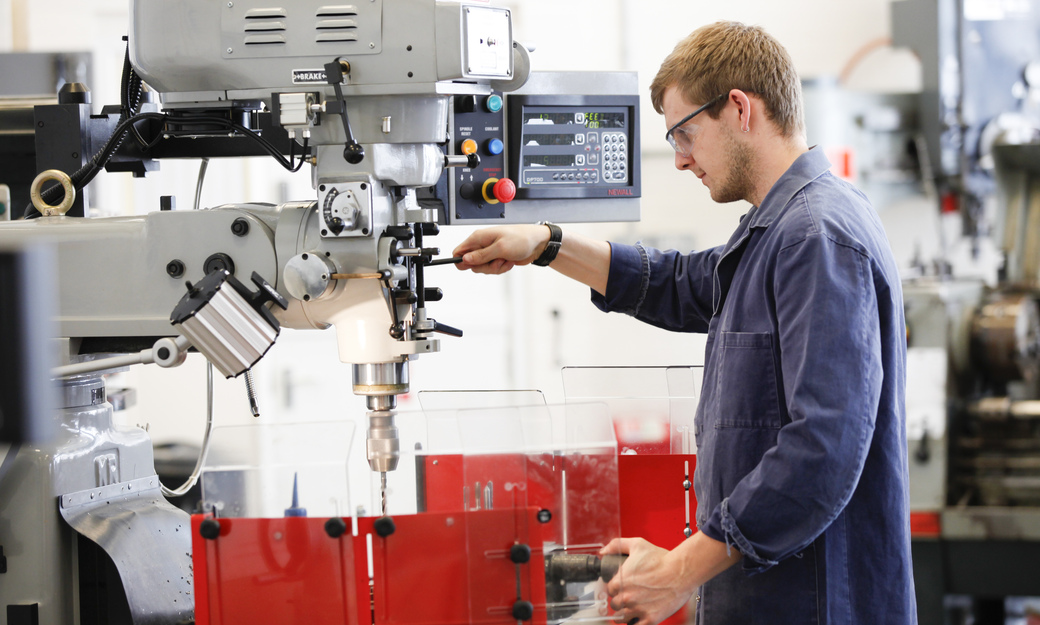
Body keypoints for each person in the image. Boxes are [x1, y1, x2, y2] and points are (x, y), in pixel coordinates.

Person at [453, 20, 915, 625]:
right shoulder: (776, 229)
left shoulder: (814, 236)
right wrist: (544, 243)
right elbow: (681, 283)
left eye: (685, 133)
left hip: (815, 604)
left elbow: (821, 451)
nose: (679, 160)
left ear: (740, 109)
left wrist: (677, 571)